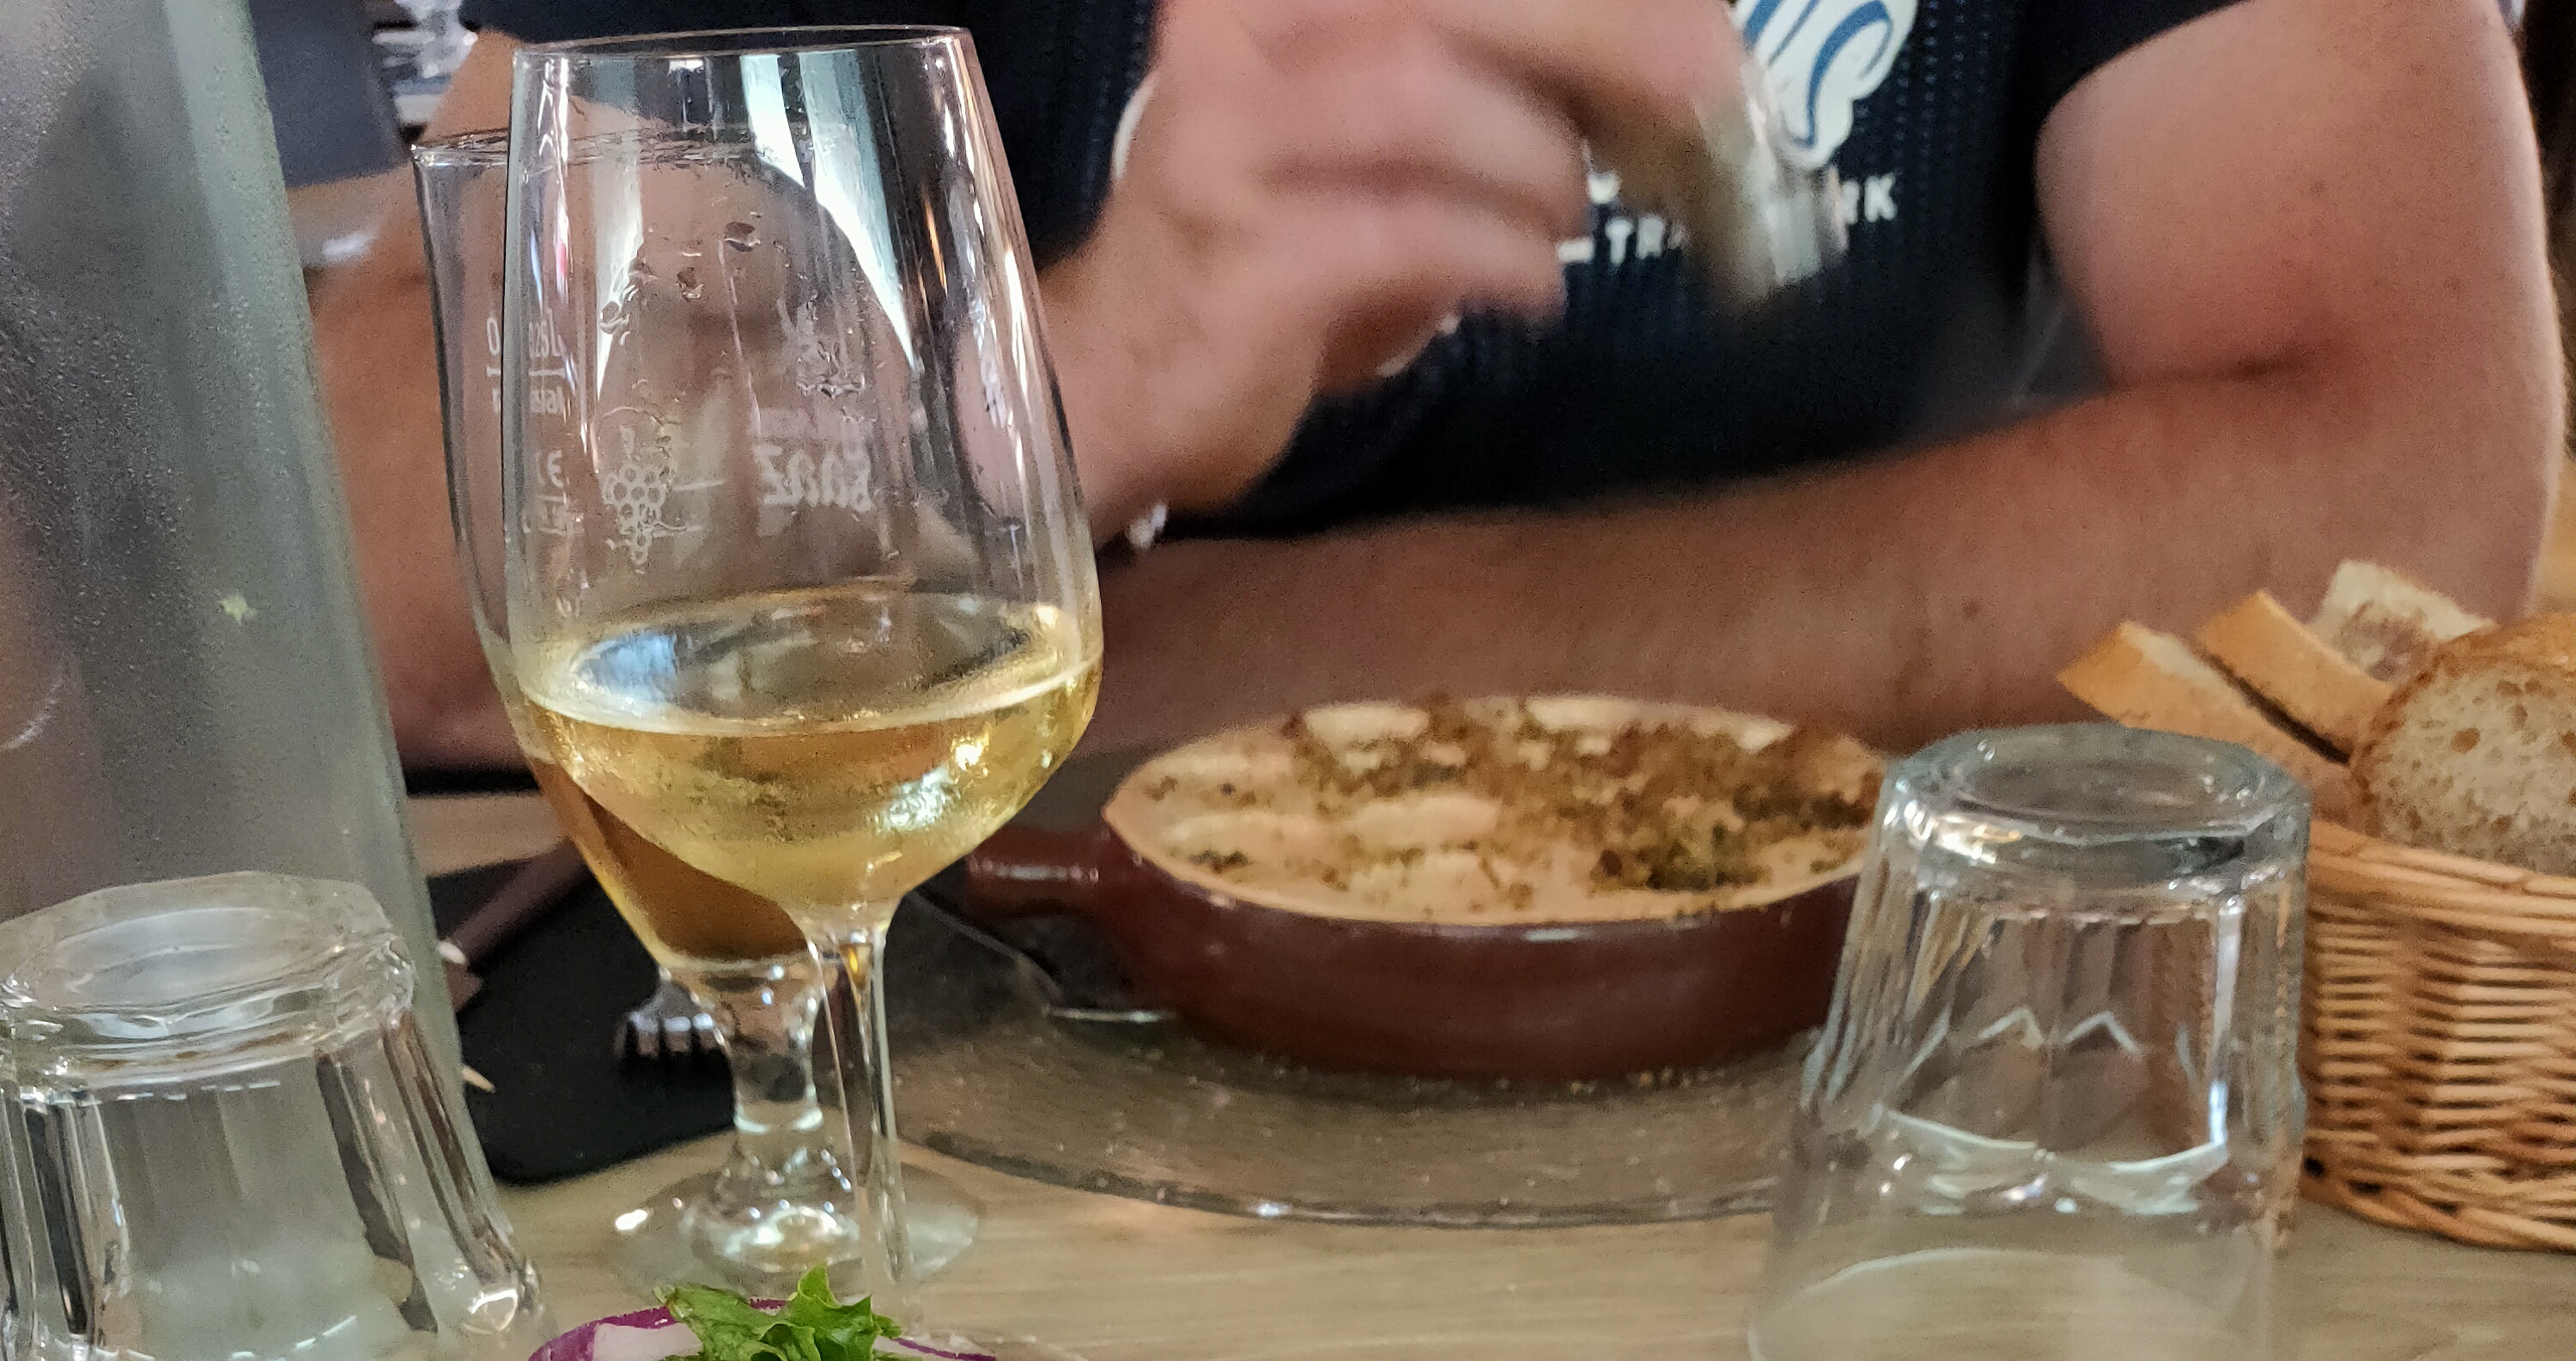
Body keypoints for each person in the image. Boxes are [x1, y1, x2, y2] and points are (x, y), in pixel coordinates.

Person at [314, 0, 2558, 767]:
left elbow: (2409, 491)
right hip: (971, 1068)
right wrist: (1057, 388)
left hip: (1906, 1054)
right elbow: (375, 575)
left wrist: (1191, 659)